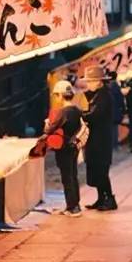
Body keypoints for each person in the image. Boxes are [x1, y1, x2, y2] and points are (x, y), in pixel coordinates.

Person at [45, 81, 83, 217]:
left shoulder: (63, 112)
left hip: (63, 147)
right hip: (74, 146)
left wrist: (47, 124)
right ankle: (76, 204)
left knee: (67, 177)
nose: (55, 98)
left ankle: (72, 208)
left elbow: (50, 129)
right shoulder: (77, 110)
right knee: (73, 175)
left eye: (56, 95)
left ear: (60, 95)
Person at [81, 66, 117, 211]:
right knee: (96, 169)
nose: (88, 84)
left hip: (101, 140)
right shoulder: (98, 94)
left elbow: (95, 115)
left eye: (90, 81)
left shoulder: (103, 96)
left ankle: (109, 199)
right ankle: (101, 198)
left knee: (101, 170)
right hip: (96, 139)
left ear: (99, 81)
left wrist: (80, 114)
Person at [108, 73, 125, 149]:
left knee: (111, 128)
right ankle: (115, 144)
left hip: (110, 110)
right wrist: (123, 109)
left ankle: (112, 144)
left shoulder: (107, 87)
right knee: (115, 128)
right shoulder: (116, 86)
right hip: (116, 110)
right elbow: (121, 99)